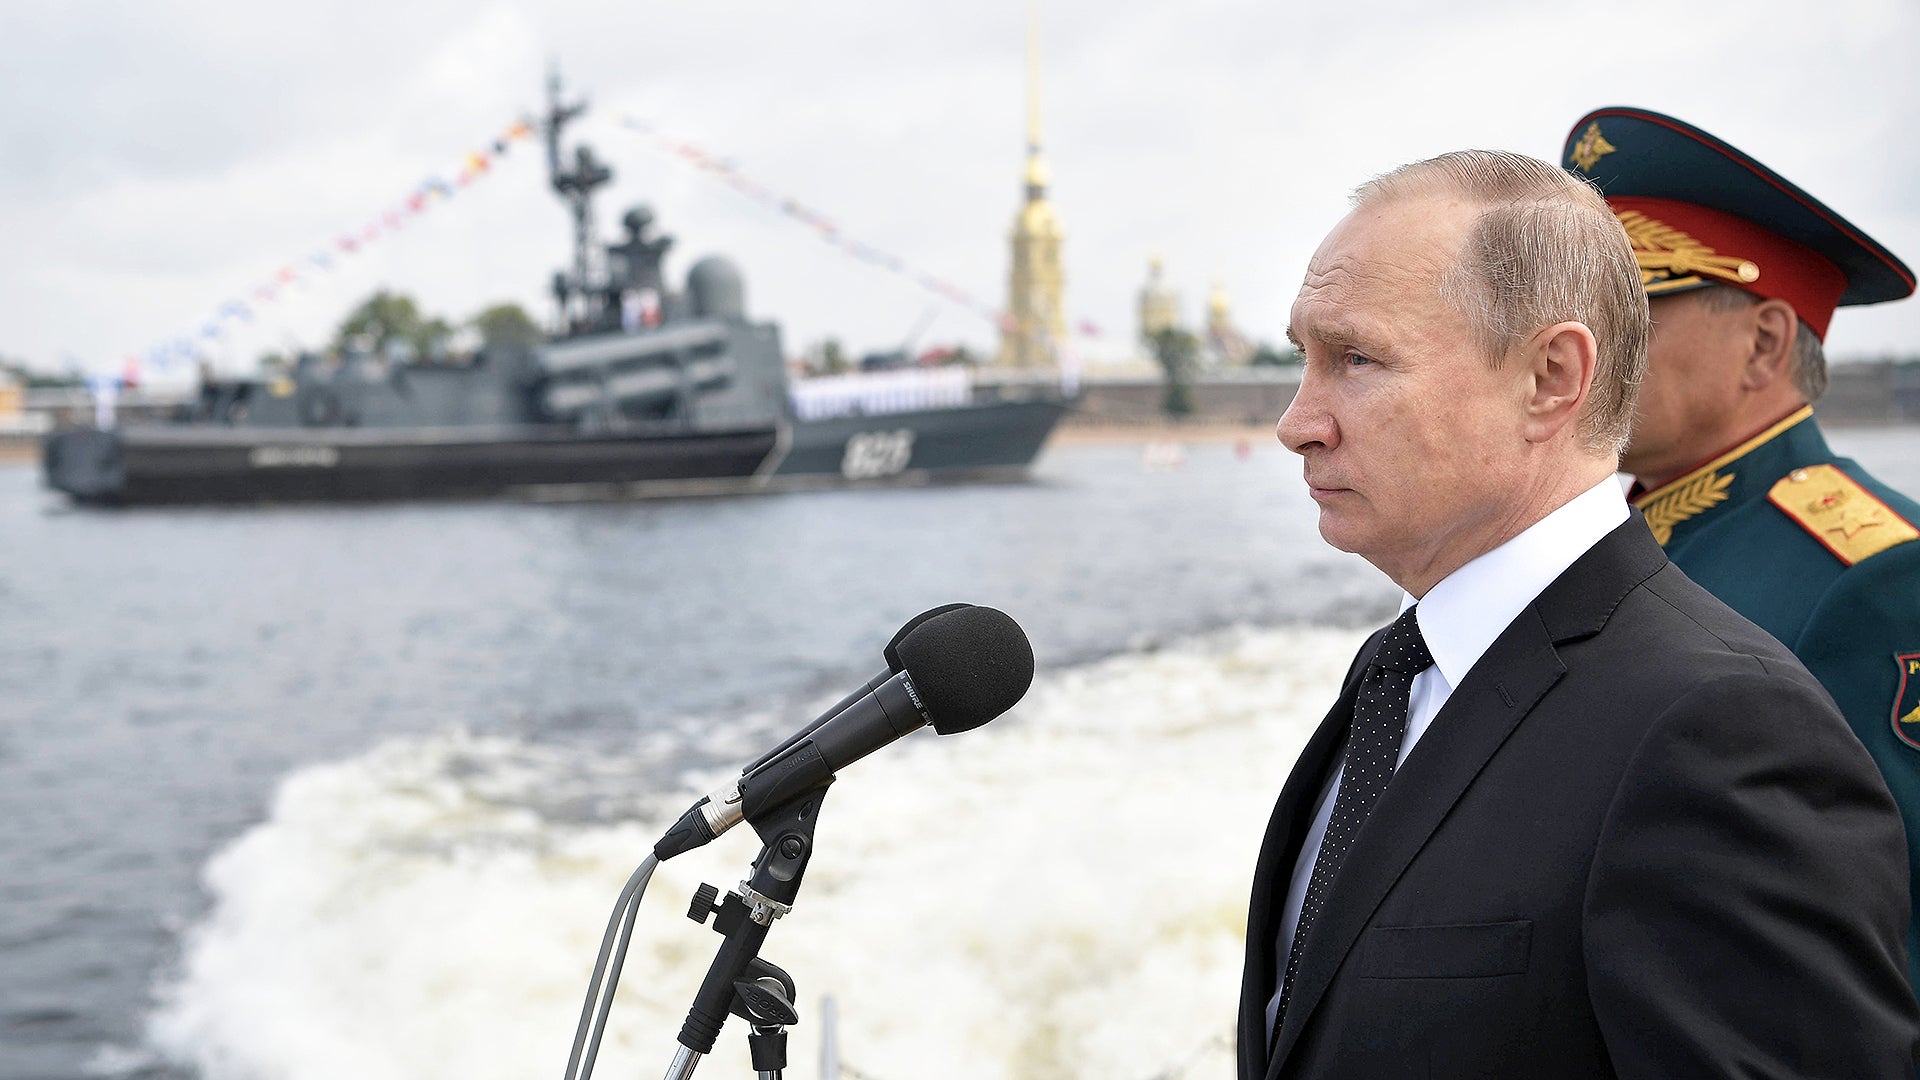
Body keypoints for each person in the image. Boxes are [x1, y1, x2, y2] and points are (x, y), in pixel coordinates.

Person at [1239, 149, 1918, 1079]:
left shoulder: (1728, 726)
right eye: (1305, 357)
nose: (1296, 424)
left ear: (1554, 376)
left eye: (1358, 358)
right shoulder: (1402, 666)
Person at [1562, 106, 1920, 990]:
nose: (1580, 347)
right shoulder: (1603, 540)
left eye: (1629, 314)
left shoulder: (1878, 572)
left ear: (1763, 343)